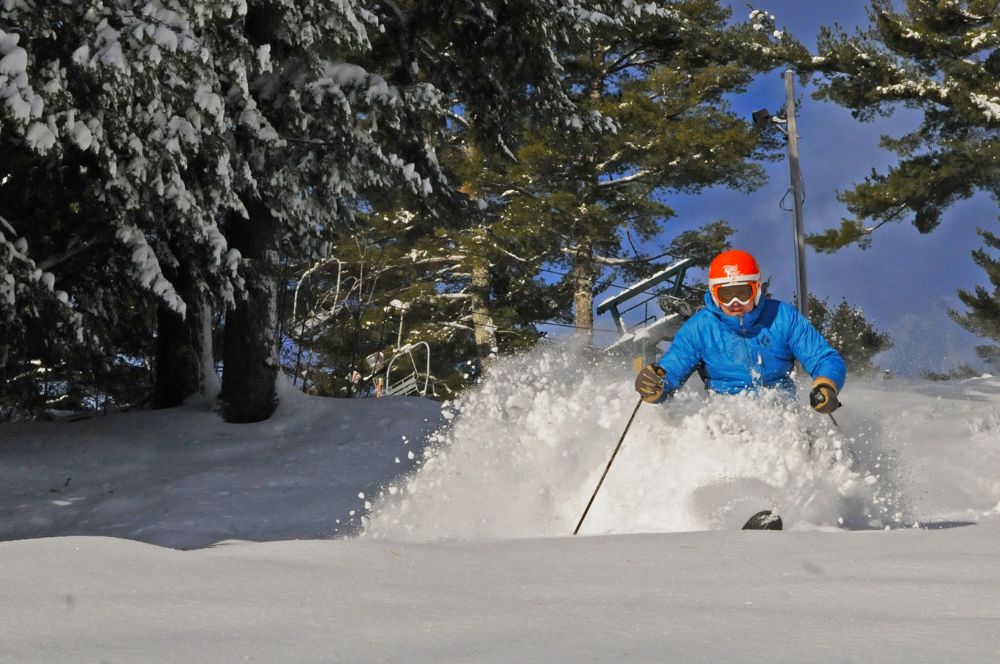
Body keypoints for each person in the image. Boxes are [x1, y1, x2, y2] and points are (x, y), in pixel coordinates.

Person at [634, 249, 845, 414]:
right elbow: (674, 365)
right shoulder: (700, 327)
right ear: (714, 294)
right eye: (726, 295)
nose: (735, 303)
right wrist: (657, 385)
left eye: (743, 293)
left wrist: (826, 384)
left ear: (757, 289)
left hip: (781, 413)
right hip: (726, 415)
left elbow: (823, 357)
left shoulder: (782, 317)